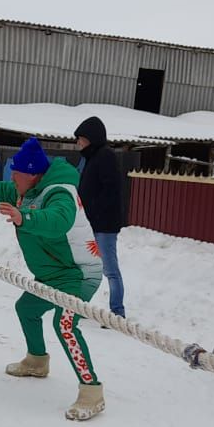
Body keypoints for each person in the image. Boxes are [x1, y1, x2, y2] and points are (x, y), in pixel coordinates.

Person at [0, 137, 106, 421]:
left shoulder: (59, 193)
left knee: (64, 324)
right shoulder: (26, 190)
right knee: (27, 308)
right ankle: (37, 361)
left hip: (77, 274)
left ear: (32, 174)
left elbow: (58, 222)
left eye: (16, 174)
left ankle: (92, 391)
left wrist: (24, 219)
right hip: (52, 273)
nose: (11, 179)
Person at [74, 116, 126, 318]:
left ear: (91, 138)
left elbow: (110, 192)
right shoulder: (92, 158)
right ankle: (79, 306)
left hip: (103, 225)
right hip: (91, 223)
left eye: (81, 138)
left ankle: (117, 313)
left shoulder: (105, 156)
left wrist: (94, 213)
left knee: (110, 270)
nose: (78, 143)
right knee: (87, 268)